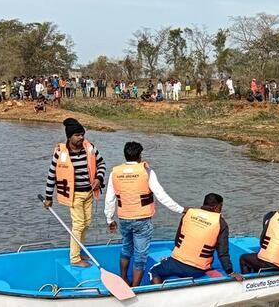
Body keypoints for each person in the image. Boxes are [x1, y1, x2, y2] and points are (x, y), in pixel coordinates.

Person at [105, 141, 184, 286]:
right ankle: (135, 288)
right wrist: (181, 209)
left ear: (125, 156)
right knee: (140, 256)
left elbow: (110, 199)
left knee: (126, 248)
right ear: (140, 156)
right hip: (142, 220)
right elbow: (161, 195)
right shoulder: (147, 172)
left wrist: (110, 219)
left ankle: (123, 278)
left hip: (124, 218)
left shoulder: (115, 173)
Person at [44, 118, 106, 267]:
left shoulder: (90, 148)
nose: (81, 137)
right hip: (74, 195)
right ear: (69, 137)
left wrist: (99, 177)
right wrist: (48, 197)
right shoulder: (60, 153)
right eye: (77, 135)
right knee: (78, 224)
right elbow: (52, 174)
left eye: (82, 134)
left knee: (87, 224)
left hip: (89, 193)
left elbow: (102, 163)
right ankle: (74, 258)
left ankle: (78, 249)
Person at [149, 193, 243, 284]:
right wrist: (230, 272)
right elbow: (223, 252)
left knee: (153, 271)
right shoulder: (221, 223)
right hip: (197, 270)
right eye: (221, 207)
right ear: (217, 207)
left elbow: (177, 240)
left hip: (175, 264)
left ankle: (161, 293)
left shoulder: (188, 214)